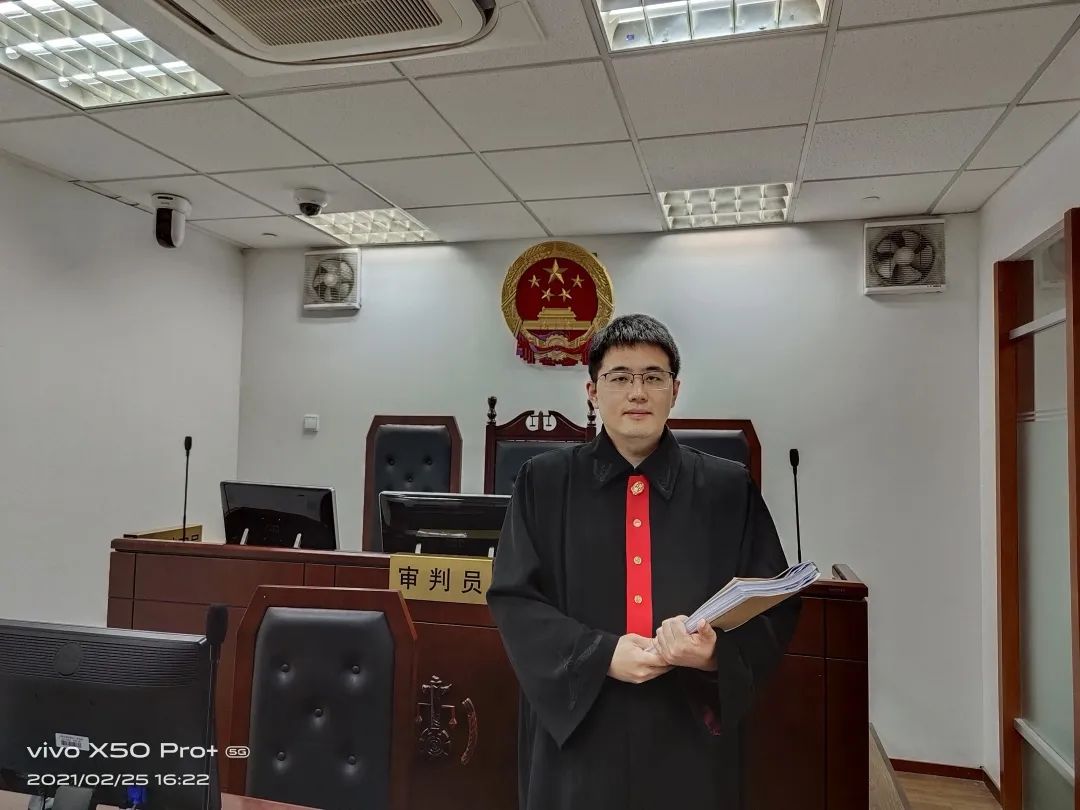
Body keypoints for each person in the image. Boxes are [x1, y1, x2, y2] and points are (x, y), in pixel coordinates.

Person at [487, 313, 801, 810]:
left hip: (687, 724)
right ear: (593, 391)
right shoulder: (542, 483)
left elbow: (771, 604)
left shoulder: (727, 488)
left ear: (675, 391)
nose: (637, 393)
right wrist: (600, 655)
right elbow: (514, 597)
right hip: (579, 726)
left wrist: (715, 655)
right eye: (619, 377)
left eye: (653, 377)